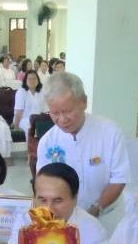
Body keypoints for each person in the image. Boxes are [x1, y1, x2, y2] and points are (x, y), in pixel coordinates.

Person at [34, 72, 131, 219]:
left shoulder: (110, 133)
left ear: (84, 102)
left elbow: (119, 178)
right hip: (62, 220)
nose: (62, 119)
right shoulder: (48, 141)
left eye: (67, 111)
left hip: (106, 216)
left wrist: (97, 208)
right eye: (54, 113)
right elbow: (43, 184)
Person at [0, 162, 107, 244]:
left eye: (57, 200)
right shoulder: (26, 219)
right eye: (42, 200)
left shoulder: (92, 228)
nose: (49, 209)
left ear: (75, 198)